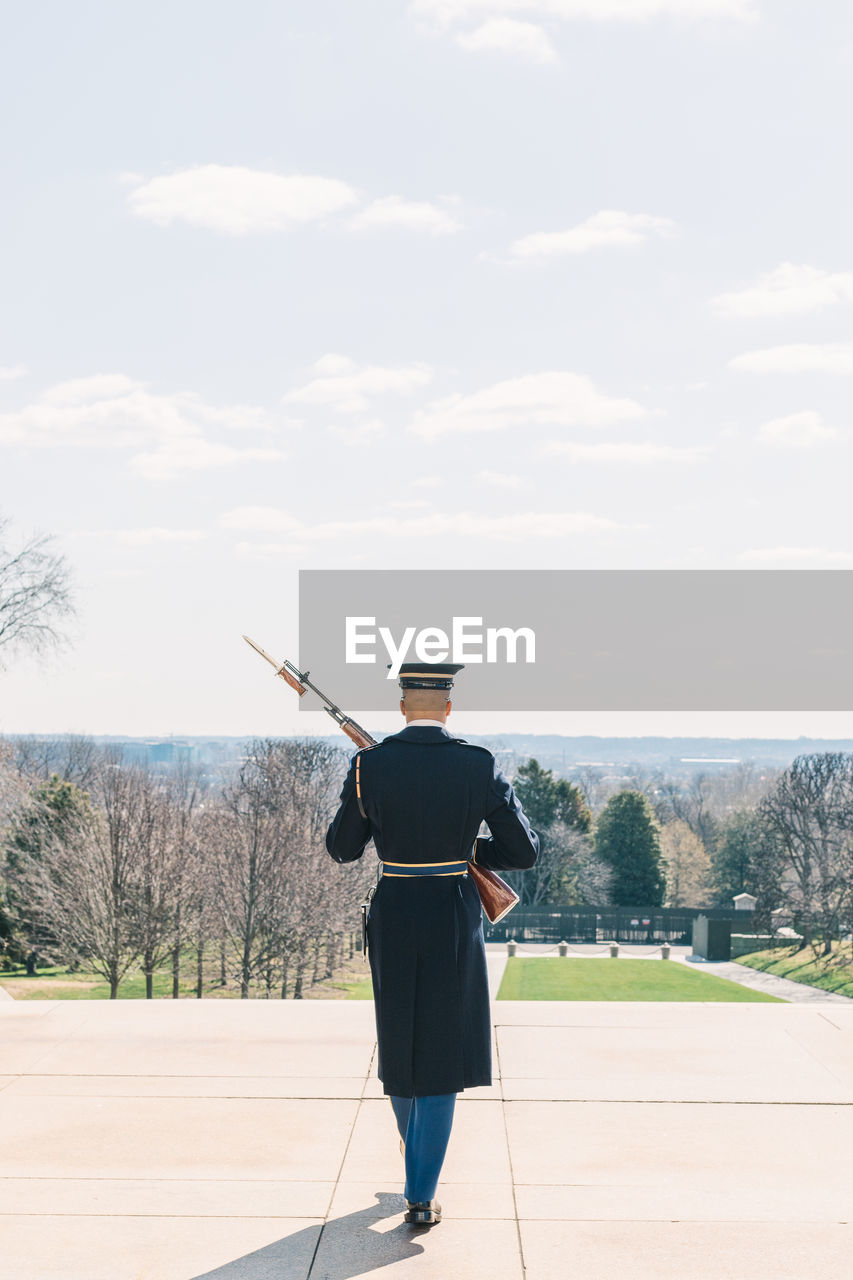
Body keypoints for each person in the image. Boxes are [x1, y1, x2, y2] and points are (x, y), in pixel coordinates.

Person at [325, 661, 539, 1227]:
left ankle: (417, 1166)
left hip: (395, 911)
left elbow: (344, 848)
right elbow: (522, 852)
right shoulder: (478, 764)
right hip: (451, 912)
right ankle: (420, 1192)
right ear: (448, 707)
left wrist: (367, 799)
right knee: (441, 1051)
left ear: (402, 706)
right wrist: (469, 853)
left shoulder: (370, 765)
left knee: (402, 1045)